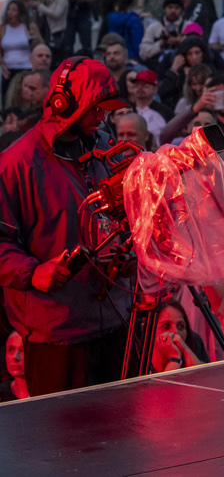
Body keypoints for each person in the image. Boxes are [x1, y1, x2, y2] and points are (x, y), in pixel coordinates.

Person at [0, 57, 134, 395]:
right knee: (65, 430)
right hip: (58, 336)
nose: (102, 117)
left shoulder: (103, 145)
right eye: (95, 108)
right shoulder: (16, 164)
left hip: (116, 319)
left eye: (106, 109)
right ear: (63, 103)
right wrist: (33, 272)